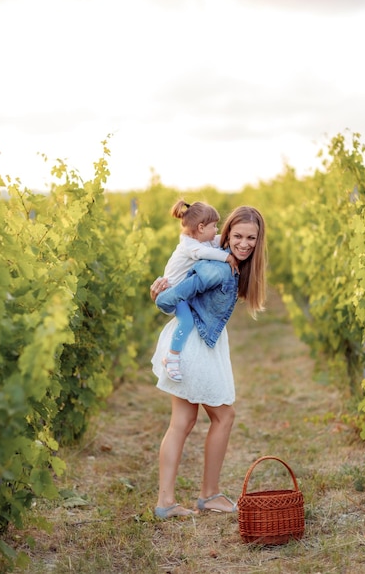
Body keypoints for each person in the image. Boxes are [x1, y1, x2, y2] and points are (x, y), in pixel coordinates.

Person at [150, 205, 267, 519]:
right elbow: (168, 299)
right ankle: (209, 495)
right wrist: (160, 292)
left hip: (201, 341)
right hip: (193, 345)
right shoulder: (214, 267)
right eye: (238, 236)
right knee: (223, 416)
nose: (244, 244)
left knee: (183, 423)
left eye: (251, 238)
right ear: (226, 234)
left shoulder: (223, 262)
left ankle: (166, 503)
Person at [158, 199, 239, 383]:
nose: (216, 230)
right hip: (175, 292)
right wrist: (228, 257)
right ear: (201, 228)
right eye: (214, 226)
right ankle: (171, 357)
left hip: (184, 291)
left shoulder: (201, 240)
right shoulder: (190, 246)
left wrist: (231, 237)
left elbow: (218, 240)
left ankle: (174, 356)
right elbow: (207, 253)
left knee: (188, 321)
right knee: (186, 322)